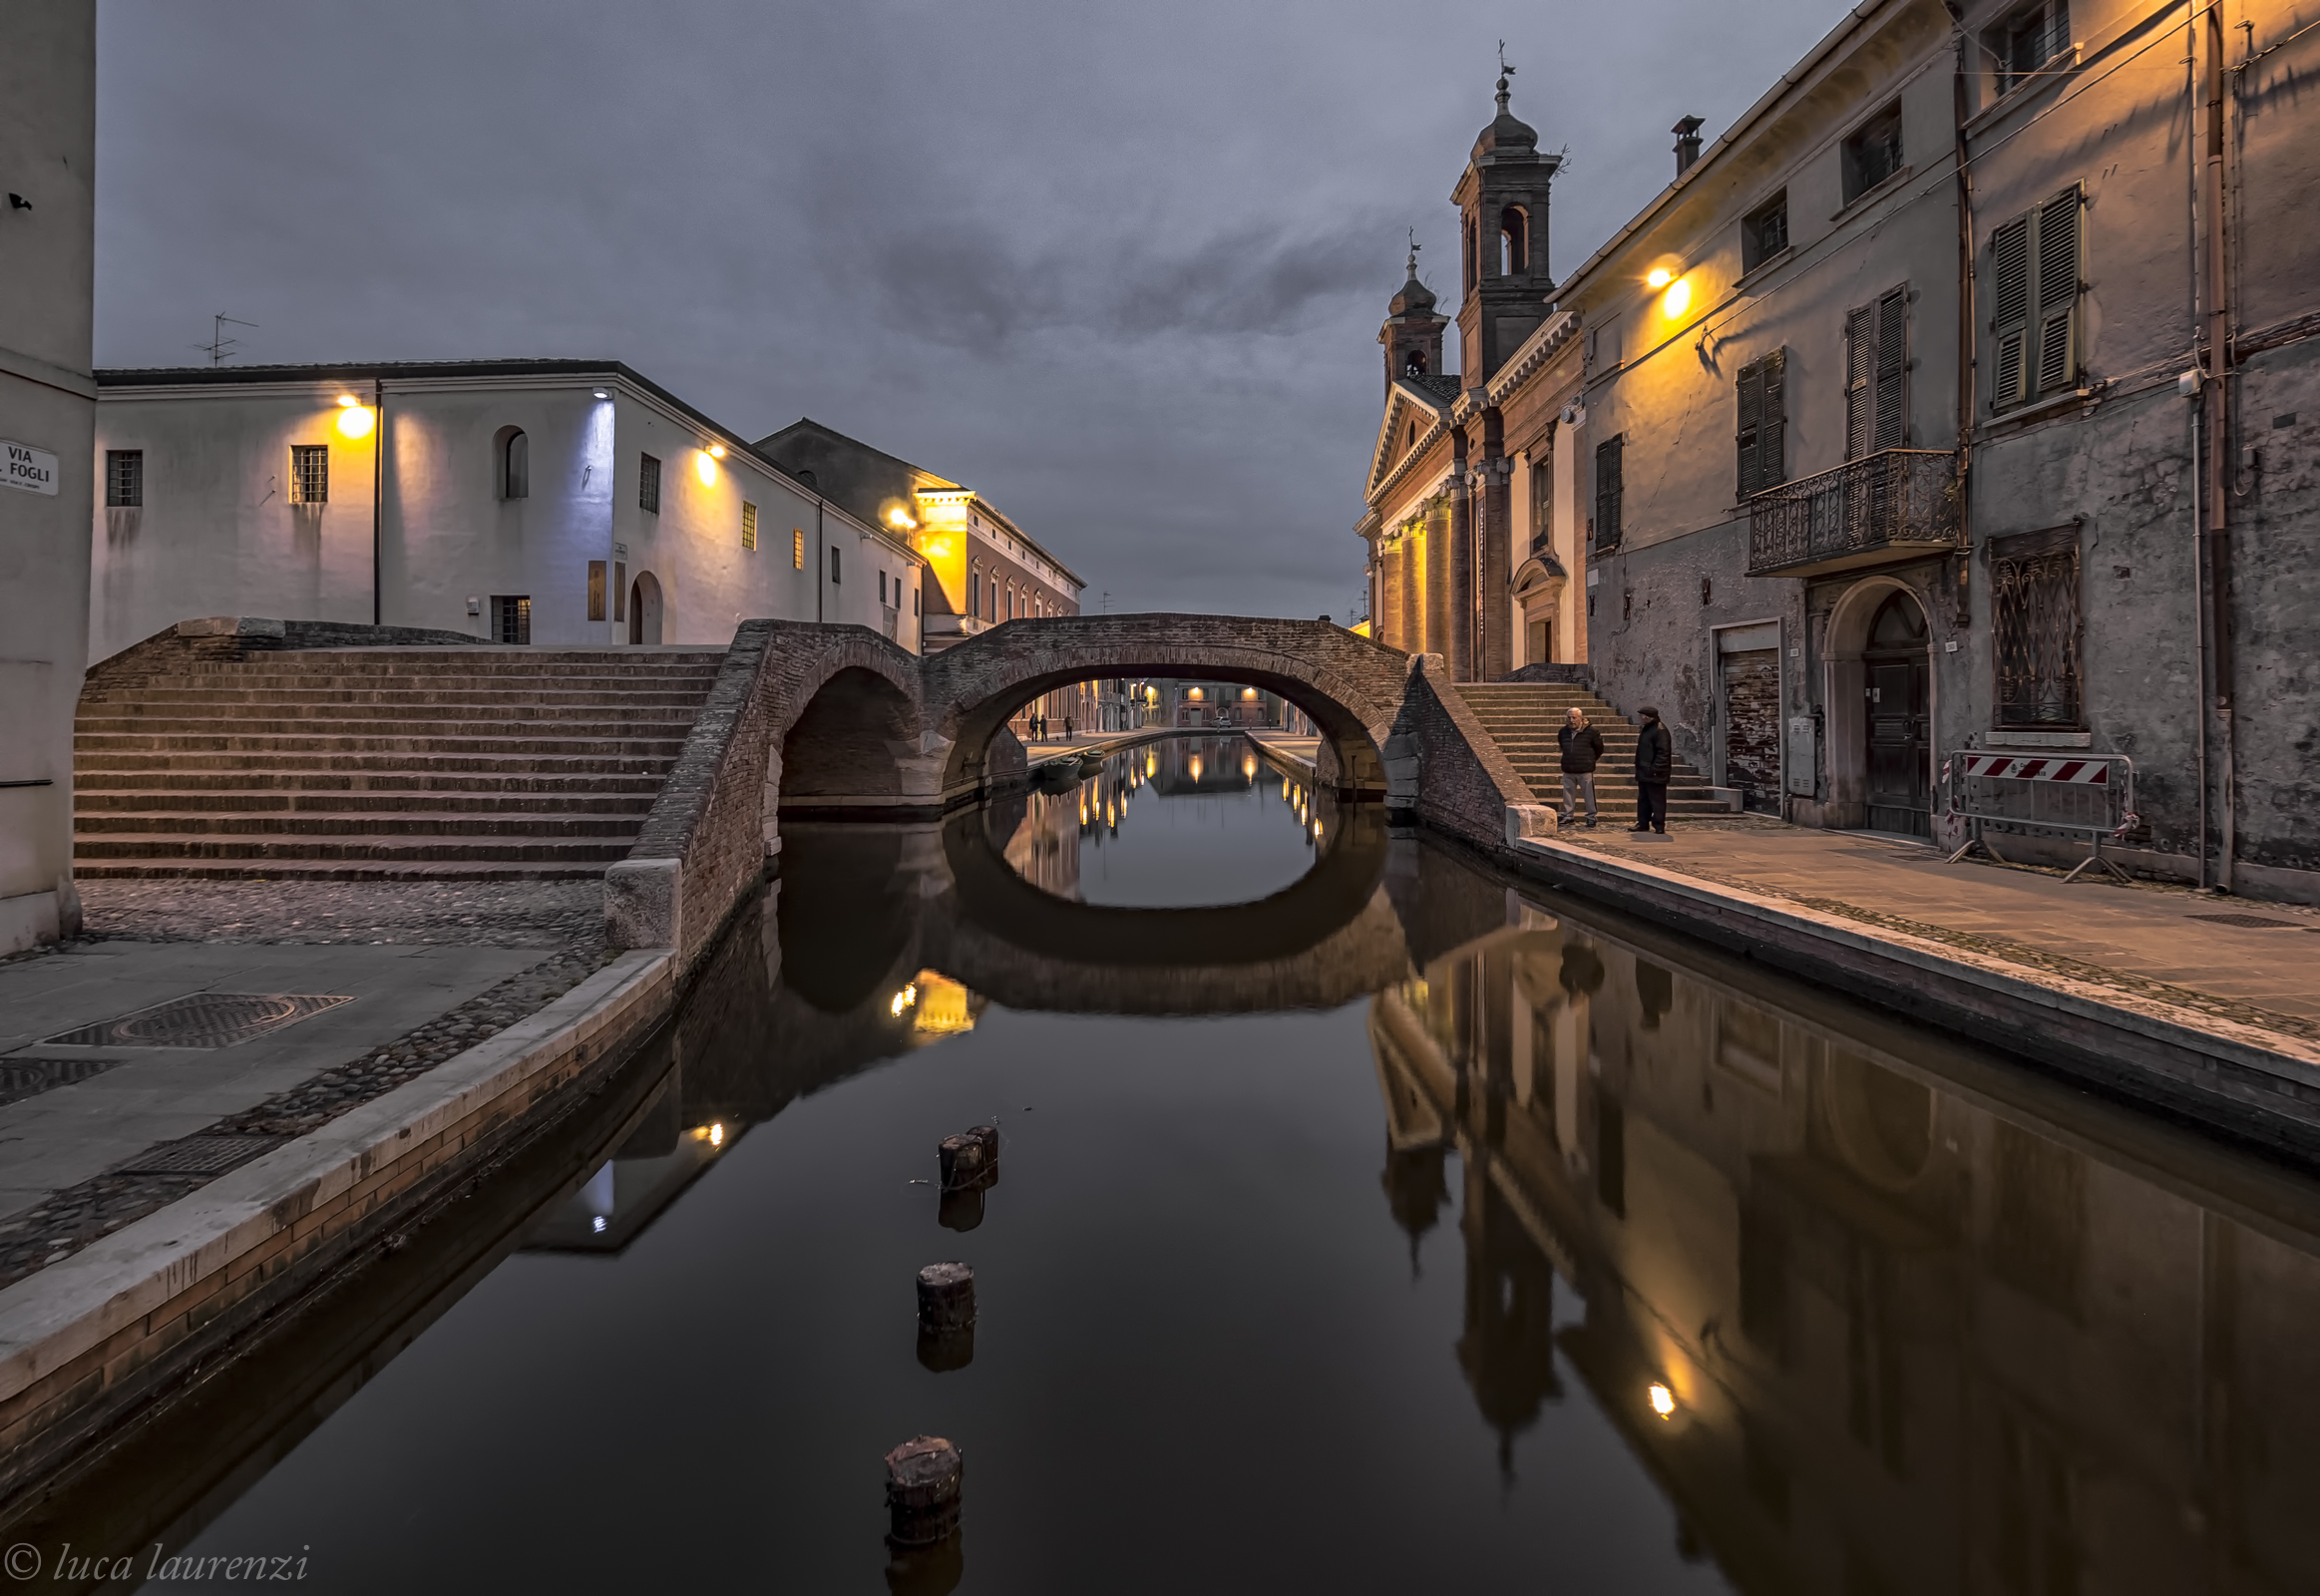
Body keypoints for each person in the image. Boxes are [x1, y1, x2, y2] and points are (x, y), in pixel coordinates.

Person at [1556, 705, 1603, 827]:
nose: (1571, 720)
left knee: (1588, 794)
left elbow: (1599, 748)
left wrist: (1590, 760)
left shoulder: (1592, 732)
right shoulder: (1563, 732)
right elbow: (1562, 745)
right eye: (1569, 718)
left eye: (1574, 718)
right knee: (1568, 793)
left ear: (1580, 718)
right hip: (1568, 767)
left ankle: (1591, 816)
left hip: (1584, 767)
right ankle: (1568, 815)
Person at [1632, 704, 1673, 834]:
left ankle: (1659, 825)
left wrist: (1654, 769)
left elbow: (1663, 752)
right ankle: (1643, 823)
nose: (1639, 718)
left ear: (1647, 717)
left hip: (1655, 773)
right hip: (1645, 771)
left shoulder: (1659, 730)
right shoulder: (1648, 729)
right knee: (1644, 799)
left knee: (1657, 801)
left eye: (1641, 716)